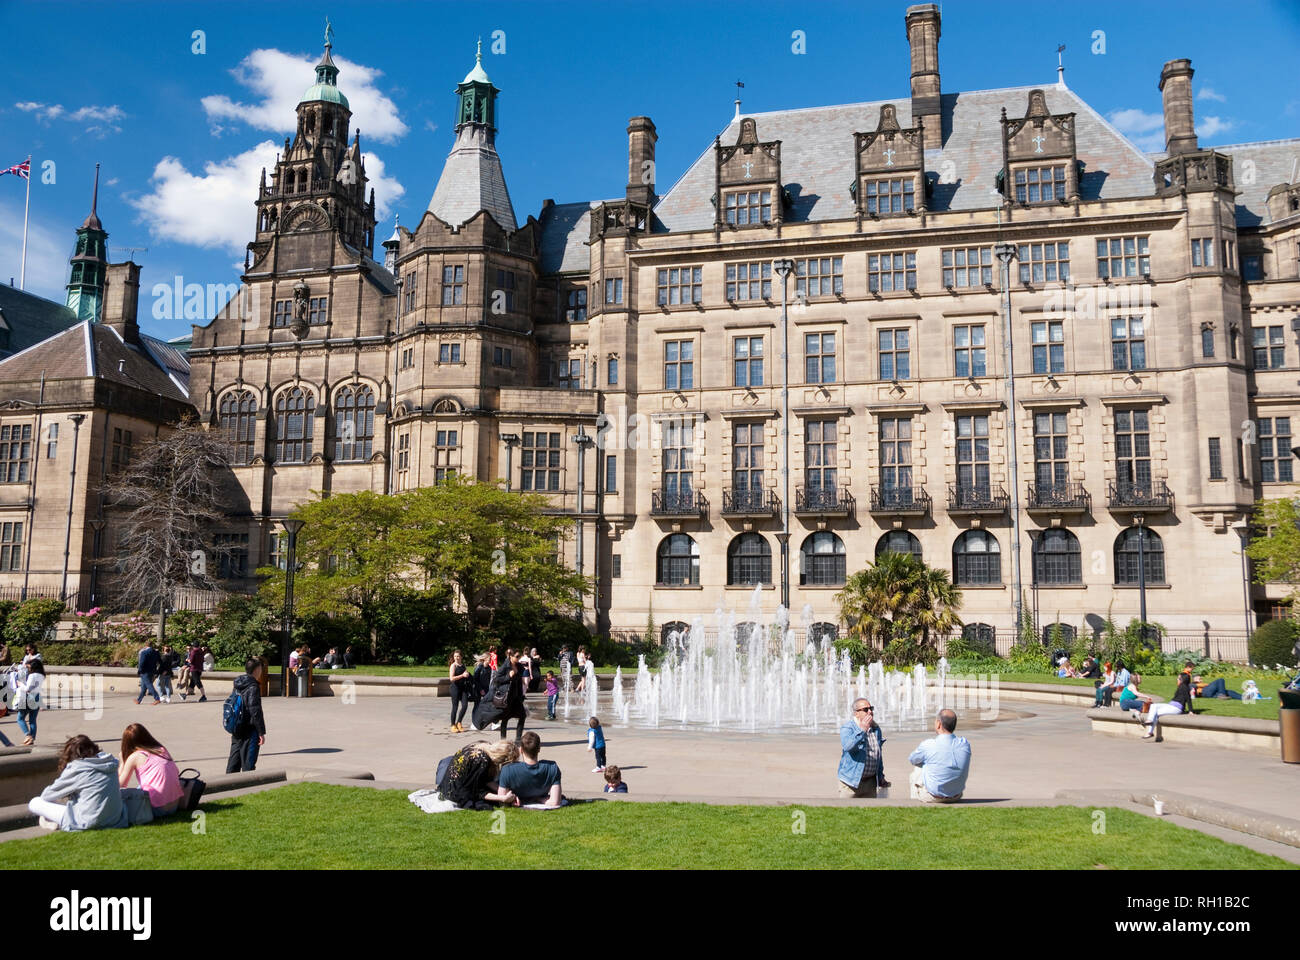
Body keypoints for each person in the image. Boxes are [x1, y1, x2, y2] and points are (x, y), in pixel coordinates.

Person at [28, 735, 129, 832]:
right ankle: (49, 820)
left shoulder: (78, 767)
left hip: (87, 821)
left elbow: (47, 795)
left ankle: (50, 820)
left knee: (35, 802)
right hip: (114, 819)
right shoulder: (110, 762)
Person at [118, 723, 184, 817]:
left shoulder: (135, 756)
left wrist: (122, 763)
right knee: (142, 786)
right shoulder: (161, 750)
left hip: (156, 808)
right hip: (174, 806)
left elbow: (120, 785)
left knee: (130, 793)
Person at [907, 709, 971, 803]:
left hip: (933, 797)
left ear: (938, 724)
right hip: (956, 795)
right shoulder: (964, 744)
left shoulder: (928, 745)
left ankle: (915, 807)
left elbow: (912, 759)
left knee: (917, 770)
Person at [435, 740, 520, 810]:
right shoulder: (482, 761)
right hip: (455, 793)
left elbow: (483, 780)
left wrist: (503, 790)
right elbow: (478, 791)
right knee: (486, 803)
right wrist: (502, 798)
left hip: (448, 785)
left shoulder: (481, 745)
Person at [837, 698, 889, 798]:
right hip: (850, 782)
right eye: (866, 709)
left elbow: (878, 755)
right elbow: (848, 747)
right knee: (847, 812)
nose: (870, 711)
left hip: (870, 782)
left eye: (871, 708)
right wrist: (862, 730)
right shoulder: (848, 728)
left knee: (869, 813)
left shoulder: (876, 729)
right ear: (856, 713)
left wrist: (881, 776)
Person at [496, 731, 562, 807]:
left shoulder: (507, 770)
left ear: (521, 750)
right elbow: (555, 802)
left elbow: (501, 799)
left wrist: (514, 799)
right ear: (539, 749)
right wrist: (538, 799)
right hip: (542, 799)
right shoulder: (552, 767)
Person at [477, 648, 527, 741]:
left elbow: (519, 681)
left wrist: (522, 695)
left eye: (519, 656)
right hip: (506, 697)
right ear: (511, 656)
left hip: (516, 697)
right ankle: (503, 740)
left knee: (522, 716)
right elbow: (497, 679)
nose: (518, 658)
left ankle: (518, 739)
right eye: (517, 656)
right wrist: (508, 676)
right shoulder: (505, 666)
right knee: (505, 719)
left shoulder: (519, 666)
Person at [226, 658, 267, 773]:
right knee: (248, 763)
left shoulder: (238, 683)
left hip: (236, 726)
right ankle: (248, 786)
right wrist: (261, 732)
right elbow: (255, 710)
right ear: (257, 670)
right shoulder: (253, 686)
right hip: (249, 729)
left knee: (234, 760)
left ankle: (228, 784)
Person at [1143, 672, 1192, 741]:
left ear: (1182, 680)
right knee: (1154, 709)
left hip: (1176, 708)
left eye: (1178, 678)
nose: (1177, 679)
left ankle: (1150, 723)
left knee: (1154, 707)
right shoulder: (1182, 686)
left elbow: (1188, 699)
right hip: (1172, 706)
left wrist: (1191, 711)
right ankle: (1150, 732)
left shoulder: (1184, 687)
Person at [15, 658, 45, 746]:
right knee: (32, 720)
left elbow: (28, 689)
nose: (28, 668)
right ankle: (32, 738)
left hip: (29, 698)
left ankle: (28, 736)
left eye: (29, 667)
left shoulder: (32, 675)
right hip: (37, 697)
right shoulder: (41, 675)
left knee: (20, 718)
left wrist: (20, 684)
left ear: (33, 666)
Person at [449, 649, 473, 734]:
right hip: (455, 688)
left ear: (461, 657)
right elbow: (451, 678)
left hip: (463, 688)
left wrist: (467, 675)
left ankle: (459, 722)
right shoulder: (453, 666)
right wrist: (462, 675)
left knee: (465, 705)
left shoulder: (463, 666)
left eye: (458, 656)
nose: (456, 658)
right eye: (455, 656)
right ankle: (452, 725)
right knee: (455, 707)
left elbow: (466, 675)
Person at [135, 641, 161, 706]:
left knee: (149, 685)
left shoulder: (144, 652)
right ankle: (139, 700)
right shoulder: (156, 652)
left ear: (146, 645)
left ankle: (157, 698)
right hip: (152, 671)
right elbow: (160, 661)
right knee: (143, 687)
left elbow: (141, 663)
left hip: (144, 671)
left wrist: (139, 670)